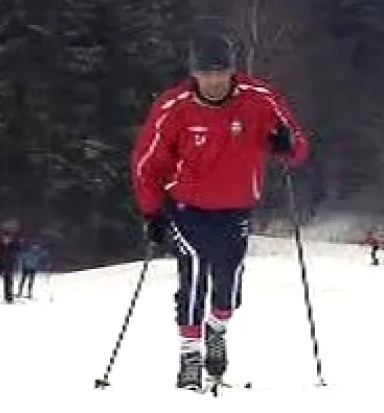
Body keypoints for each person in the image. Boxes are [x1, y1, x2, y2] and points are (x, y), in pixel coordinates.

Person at [131, 32, 309, 390]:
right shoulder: (174, 106)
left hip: (237, 205)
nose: (214, 81)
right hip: (187, 206)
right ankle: (189, 355)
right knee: (195, 271)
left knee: (229, 278)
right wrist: (152, 213)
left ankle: (217, 328)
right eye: (206, 73)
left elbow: (298, 146)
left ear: (232, 71)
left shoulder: (260, 98)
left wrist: (287, 145)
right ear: (194, 74)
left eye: (221, 72)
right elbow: (147, 164)